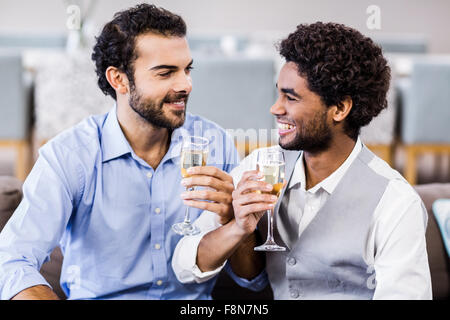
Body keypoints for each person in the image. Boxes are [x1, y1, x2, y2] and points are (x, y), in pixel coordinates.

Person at [172, 22, 433, 299]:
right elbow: (184, 265)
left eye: (291, 97)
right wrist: (237, 227)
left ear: (340, 108)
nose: (275, 108)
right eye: (278, 93)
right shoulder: (261, 167)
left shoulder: (395, 202)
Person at [0, 4, 238, 300]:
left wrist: (235, 222)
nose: (185, 85)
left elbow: (250, 279)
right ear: (119, 80)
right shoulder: (70, 156)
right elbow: (12, 261)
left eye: (187, 69)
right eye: (165, 73)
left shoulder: (215, 143)